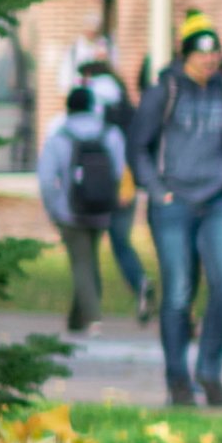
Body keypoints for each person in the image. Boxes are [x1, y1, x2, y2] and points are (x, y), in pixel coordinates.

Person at [130, 16, 222, 408]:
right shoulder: (163, 91)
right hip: (173, 203)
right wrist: (158, 190)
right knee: (179, 292)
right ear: (186, 55)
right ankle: (178, 380)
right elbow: (137, 147)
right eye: (202, 53)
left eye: (215, 52)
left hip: (215, 202)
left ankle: (210, 370)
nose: (210, 60)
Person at [38, 87, 133, 335]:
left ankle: (92, 317)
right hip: (102, 208)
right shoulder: (110, 134)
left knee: (81, 264)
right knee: (89, 260)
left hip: (70, 210)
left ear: (68, 107)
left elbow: (47, 180)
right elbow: (119, 170)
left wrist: (53, 209)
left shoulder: (59, 137)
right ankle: (76, 320)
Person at [74, 59, 154, 325]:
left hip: (92, 187)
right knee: (121, 243)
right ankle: (140, 283)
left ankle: (89, 307)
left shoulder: (93, 100)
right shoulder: (126, 107)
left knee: (89, 246)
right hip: (125, 185)